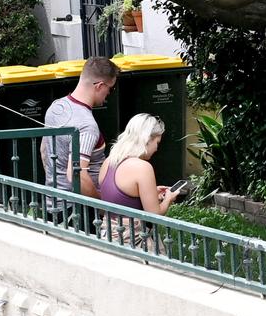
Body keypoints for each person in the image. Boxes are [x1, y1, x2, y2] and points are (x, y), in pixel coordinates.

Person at [41, 56, 119, 224]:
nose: (109, 95)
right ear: (99, 86)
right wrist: (101, 204)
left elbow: (44, 151)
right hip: (77, 211)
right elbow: (76, 174)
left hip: (52, 203)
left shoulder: (56, 107)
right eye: (111, 89)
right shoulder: (87, 125)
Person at [99, 113, 179, 216]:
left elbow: (118, 197)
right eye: (157, 143)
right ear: (147, 139)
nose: (156, 149)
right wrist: (168, 199)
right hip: (131, 231)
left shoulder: (109, 161)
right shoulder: (143, 167)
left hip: (106, 229)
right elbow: (154, 215)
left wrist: (151, 193)